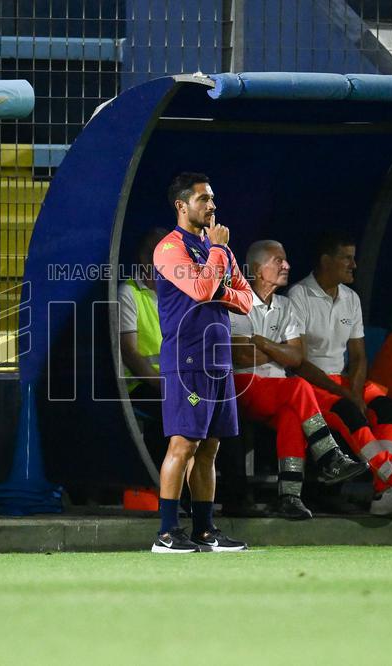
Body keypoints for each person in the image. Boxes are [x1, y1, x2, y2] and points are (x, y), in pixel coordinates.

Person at [287, 231, 392, 517]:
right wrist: (347, 395)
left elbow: (358, 356)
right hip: (310, 384)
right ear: (326, 261)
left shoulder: (351, 298)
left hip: (343, 382)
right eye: (347, 258)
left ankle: (384, 495)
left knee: (386, 408)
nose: (353, 265)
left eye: (354, 258)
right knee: (349, 411)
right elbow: (300, 362)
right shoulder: (299, 295)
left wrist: (355, 392)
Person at [150, 172, 252, 553]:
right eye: (203, 199)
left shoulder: (215, 248)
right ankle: (166, 531)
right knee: (183, 444)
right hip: (188, 356)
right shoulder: (169, 249)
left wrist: (218, 274)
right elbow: (200, 289)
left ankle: (204, 530)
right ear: (181, 205)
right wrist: (218, 253)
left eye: (212, 199)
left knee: (210, 447)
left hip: (219, 360)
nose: (212, 206)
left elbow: (247, 299)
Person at [229, 240, 367, 520]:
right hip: (243, 385)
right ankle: (329, 456)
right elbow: (241, 357)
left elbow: (297, 356)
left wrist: (263, 343)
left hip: (278, 391)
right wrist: (281, 351)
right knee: (299, 386)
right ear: (257, 269)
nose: (287, 266)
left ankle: (290, 495)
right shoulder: (236, 302)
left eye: (286, 260)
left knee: (293, 413)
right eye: (278, 261)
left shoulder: (286, 305)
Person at [118, 228, 169, 465]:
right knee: (174, 413)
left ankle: (231, 496)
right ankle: (166, 491)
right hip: (143, 386)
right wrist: (161, 384)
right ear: (144, 258)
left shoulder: (180, 295)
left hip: (179, 385)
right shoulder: (128, 293)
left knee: (214, 407)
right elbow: (130, 352)